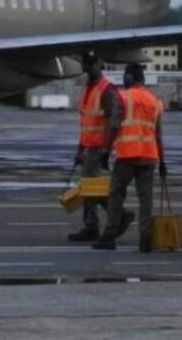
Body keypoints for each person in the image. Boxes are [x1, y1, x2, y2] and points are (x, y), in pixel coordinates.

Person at [93, 63, 164, 251]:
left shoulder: (122, 97)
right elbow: (158, 134)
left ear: (130, 78)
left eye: (125, 76)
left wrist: (105, 151)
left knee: (116, 194)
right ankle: (145, 240)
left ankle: (109, 236)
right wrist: (163, 161)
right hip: (149, 155)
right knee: (145, 199)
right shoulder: (154, 100)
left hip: (127, 153)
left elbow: (114, 125)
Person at [68, 51, 120, 242]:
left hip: (98, 146)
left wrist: (106, 148)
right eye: (87, 65)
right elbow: (86, 121)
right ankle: (94, 224)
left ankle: (110, 218)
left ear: (100, 64)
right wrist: (80, 149)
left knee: (91, 187)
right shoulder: (88, 88)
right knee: (90, 187)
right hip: (89, 145)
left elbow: (111, 120)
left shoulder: (106, 89)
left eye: (92, 64)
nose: (89, 68)